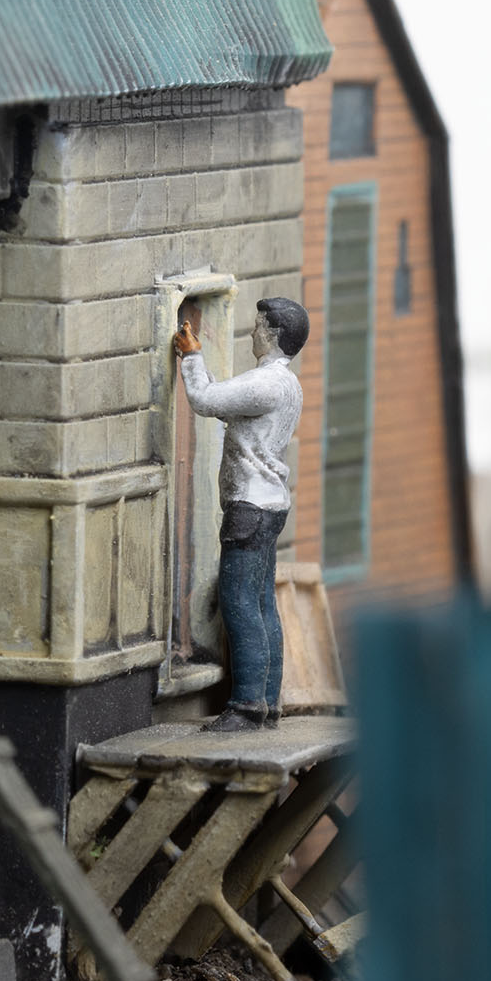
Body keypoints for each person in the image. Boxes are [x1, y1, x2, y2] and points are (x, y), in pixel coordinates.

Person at [172, 295, 309, 733]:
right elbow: (226, 402)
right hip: (271, 505)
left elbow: (204, 399)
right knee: (262, 601)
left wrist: (192, 356)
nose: (253, 331)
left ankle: (248, 706)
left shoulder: (266, 383)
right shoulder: (287, 383)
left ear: (273, 334)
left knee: (238, 601)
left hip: (249, 506)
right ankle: (267, 702)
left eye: (259, 325)